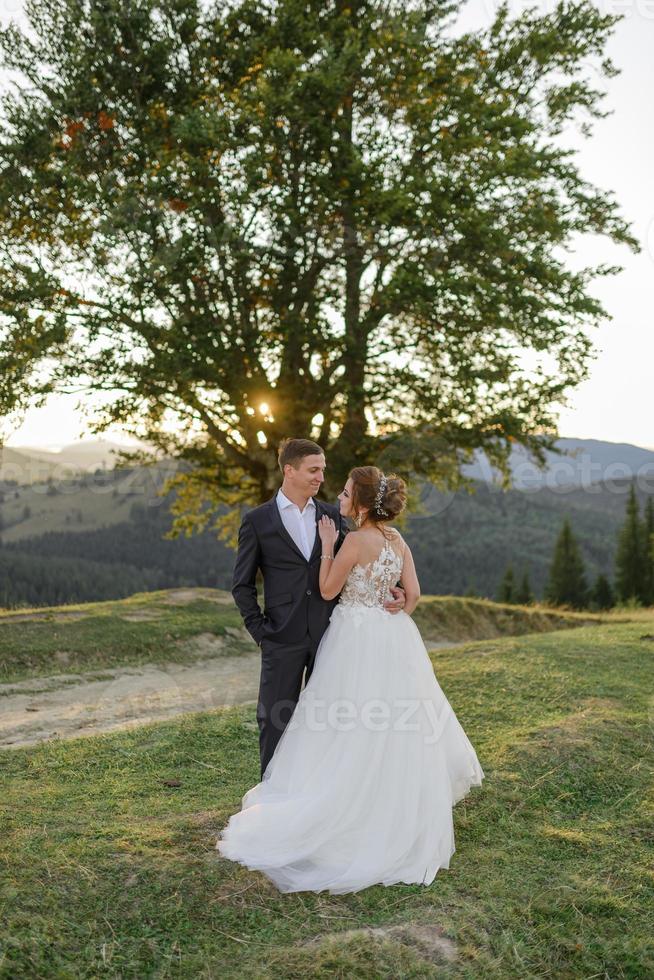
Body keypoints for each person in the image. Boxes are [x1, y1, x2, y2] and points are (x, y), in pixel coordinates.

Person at [217, 464, 485, 895]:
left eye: (344, 494)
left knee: (344, 722)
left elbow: (326, 590)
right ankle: (389, 811)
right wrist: (395, 605)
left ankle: (343, 810)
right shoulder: (398, 541)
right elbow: (412, 594)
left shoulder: (355, 540)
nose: (338, 499)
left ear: (360, 505)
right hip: (393, 639)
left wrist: (326, 546)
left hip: (354, 640)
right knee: (390, 725)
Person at [230, 438, 407, 779]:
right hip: (281, 635)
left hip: (331, 634)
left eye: (323, 471)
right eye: (313, 470)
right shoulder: (257, 521)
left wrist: (394, 588)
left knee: (327, 717)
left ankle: (316, 788)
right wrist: (261, 632)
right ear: (289, 470)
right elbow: (242, 584)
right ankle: (271, 789)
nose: (320, 478)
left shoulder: (330, 514)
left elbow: (357, 564)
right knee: (274, 716)